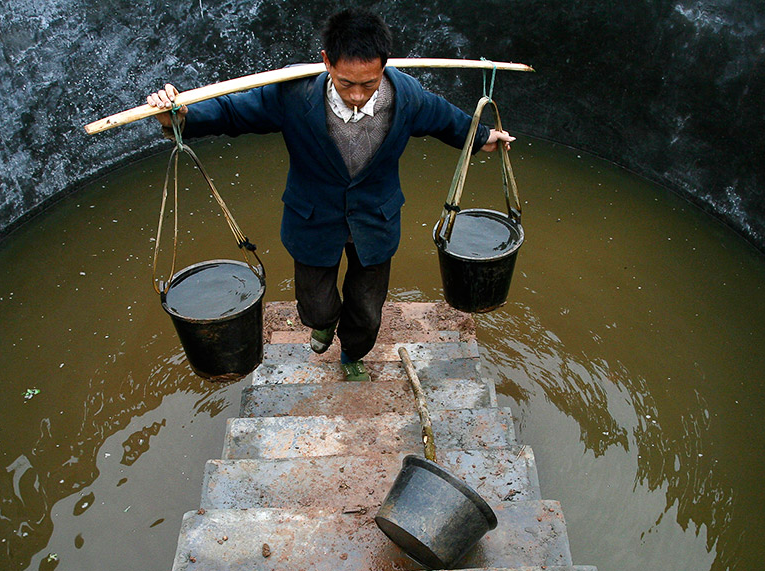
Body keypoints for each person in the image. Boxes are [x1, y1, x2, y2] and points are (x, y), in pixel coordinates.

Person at [148, 8, 514, 381]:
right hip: (313, 219)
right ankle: (321, 325)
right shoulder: (294, 95)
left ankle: (352, 353)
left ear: (385, 66)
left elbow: (445, 119)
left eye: (368, 84)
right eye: (345, 83)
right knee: (318, 305)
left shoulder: (407, 96)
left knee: (368, 310)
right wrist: (179, 117)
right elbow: (233, 112)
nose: (357, 95)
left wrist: (484, 136)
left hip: (375, 218)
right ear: (326, 62)